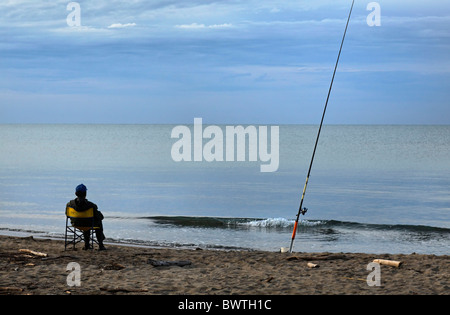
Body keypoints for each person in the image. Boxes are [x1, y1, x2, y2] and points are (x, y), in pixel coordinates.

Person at [67, 184, 106, 250]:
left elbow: (67, 215)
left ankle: (87, 245)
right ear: (85, 194)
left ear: (75, 193)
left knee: (86, 221)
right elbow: (99, 216)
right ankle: (100, 244)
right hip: (88, 224)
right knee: (97, 221)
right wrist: (101, 216)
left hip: (76, 224)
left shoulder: (69, 204)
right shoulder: (91, 205)